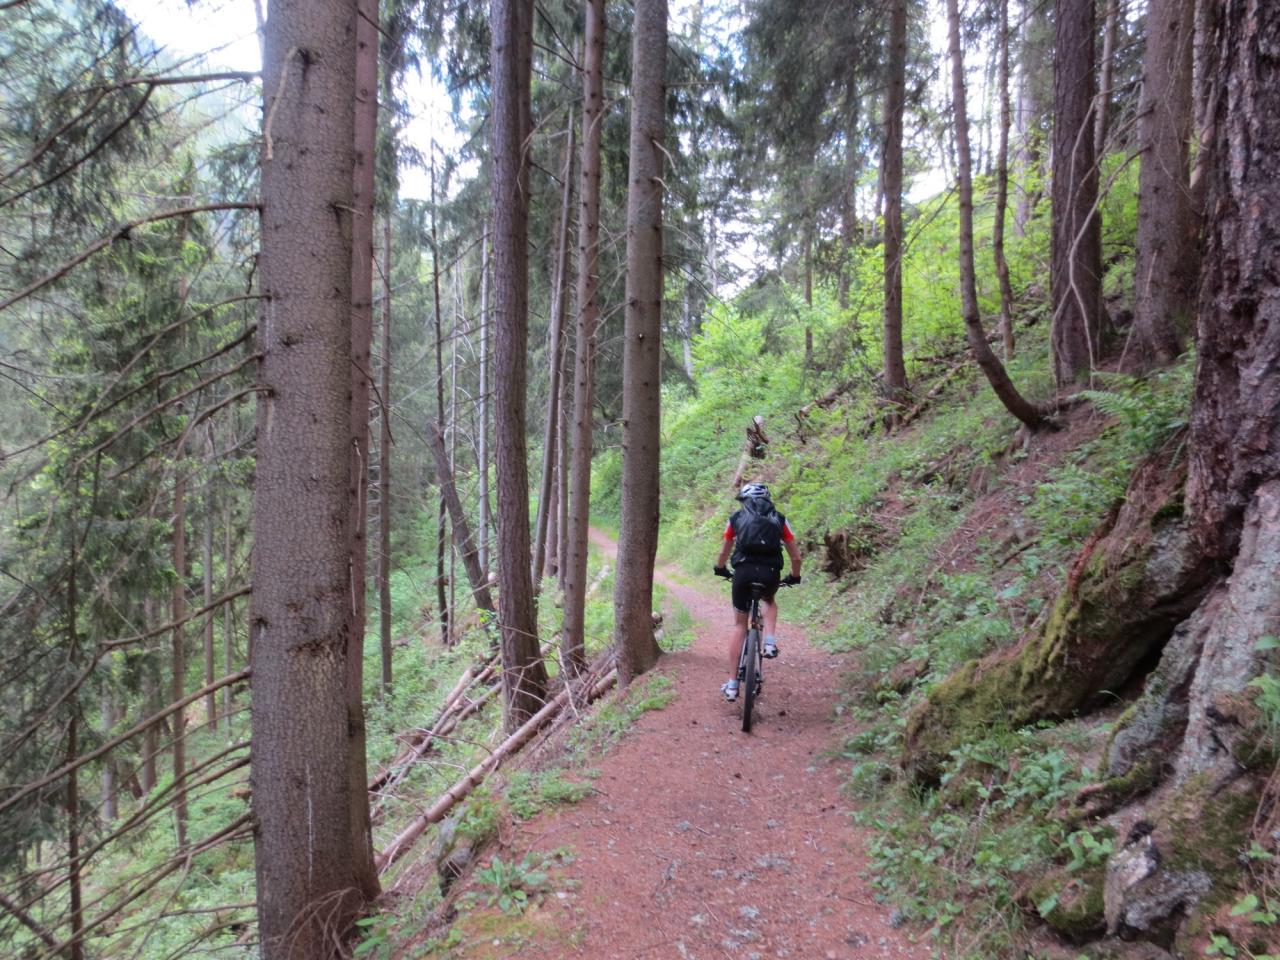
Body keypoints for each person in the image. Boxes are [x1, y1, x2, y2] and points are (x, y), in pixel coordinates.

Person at [713, 482, 801, 701]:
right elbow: (796, 556)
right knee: (769, 600)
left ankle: (732, 685)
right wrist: (795, 575)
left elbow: (725, 550)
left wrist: (721, 568)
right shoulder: (780, 519)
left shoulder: (735, 518)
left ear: (744, 501)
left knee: (740, 626)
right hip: (770, 573)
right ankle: (769, 642)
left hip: (742, 573)